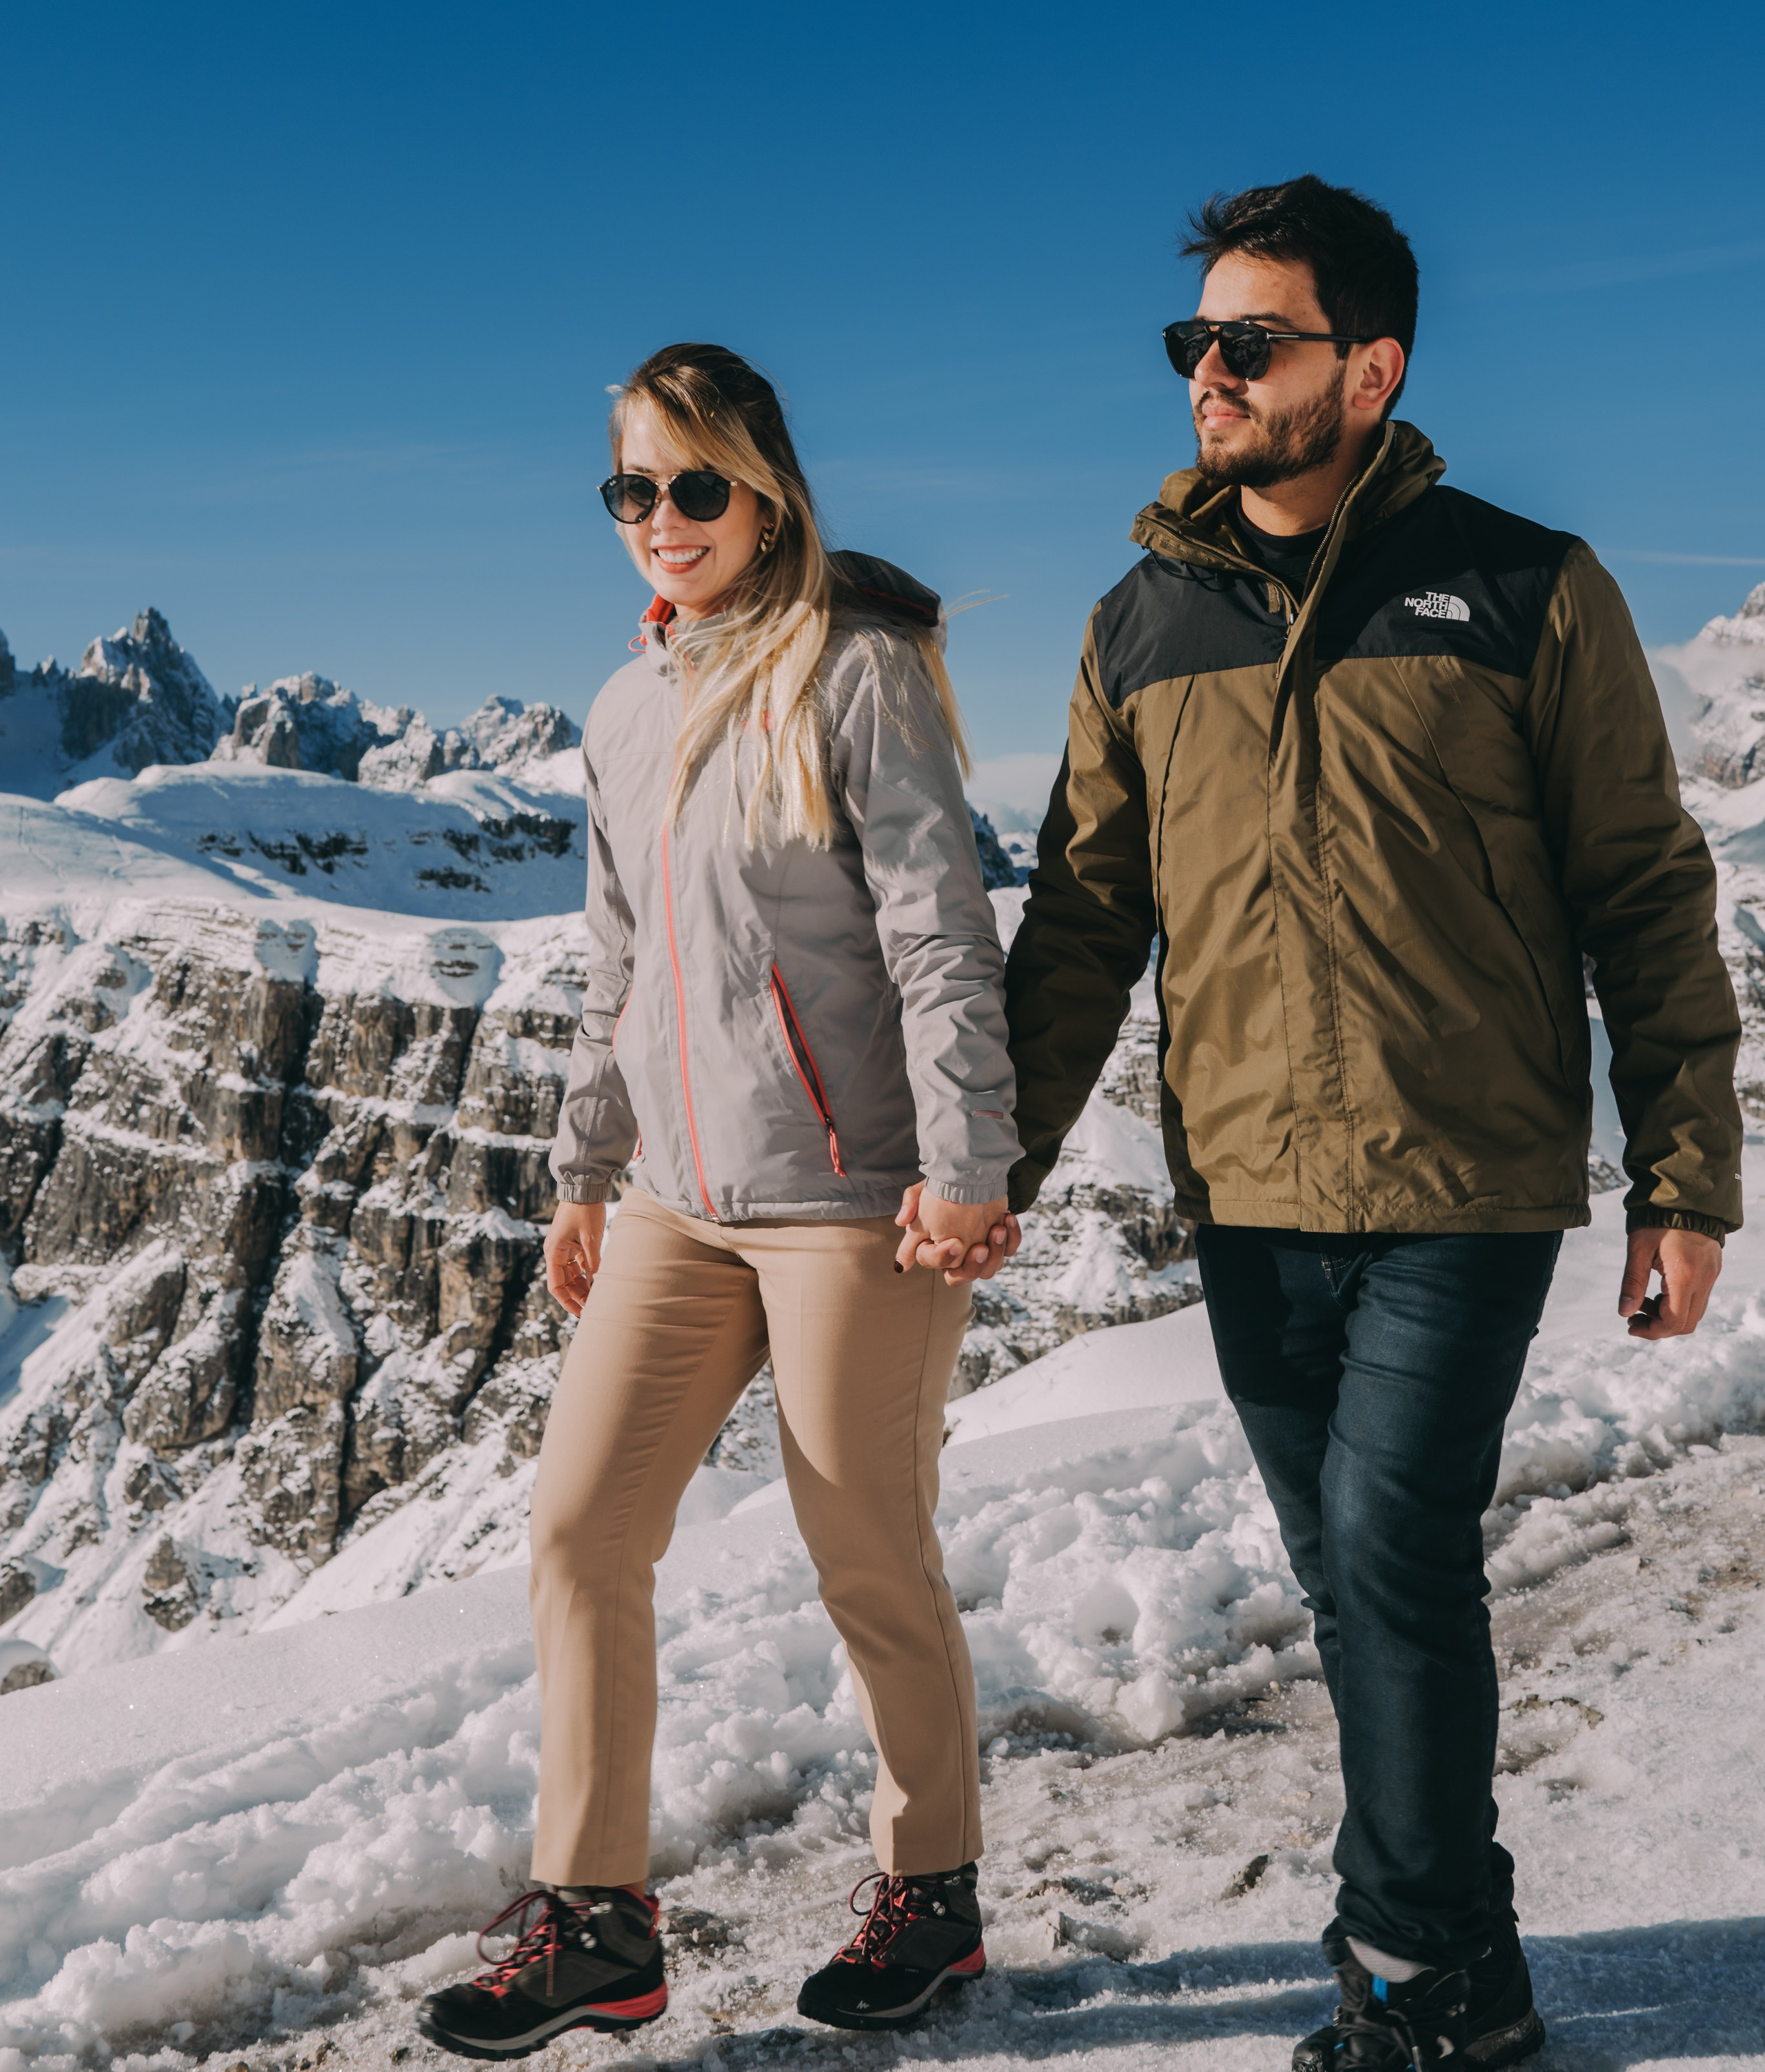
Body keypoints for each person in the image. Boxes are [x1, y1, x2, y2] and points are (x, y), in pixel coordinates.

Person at [1002, 177, 1742, 2071]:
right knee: (1351, 1577)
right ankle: (1459, 1950)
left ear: (1370, 370)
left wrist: (1682, 1177)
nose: (1207, 373)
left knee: (1391, 1548)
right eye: (1193, 341)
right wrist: (989, 1165)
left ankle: (1416, 1975)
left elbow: (1643, 889)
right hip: (1248, 1188)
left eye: (1249, 342)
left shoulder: (1524, 586)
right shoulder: (1139, 624)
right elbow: (1082, 921)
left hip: (1461, 1178)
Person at [418, 342, 1020, 2062]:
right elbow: (617, 962)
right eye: (632, 487)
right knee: (577, 1533)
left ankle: (932, 1895)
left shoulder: (854, 671)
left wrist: (965, 1167)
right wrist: (588, 1171)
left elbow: (935, 930)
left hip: (850, 1200)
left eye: (694, 484)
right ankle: (597, 1925)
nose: (660, 519)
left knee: (866, 1548)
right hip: (678, 1206)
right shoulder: (623, 707)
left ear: (765, 492)